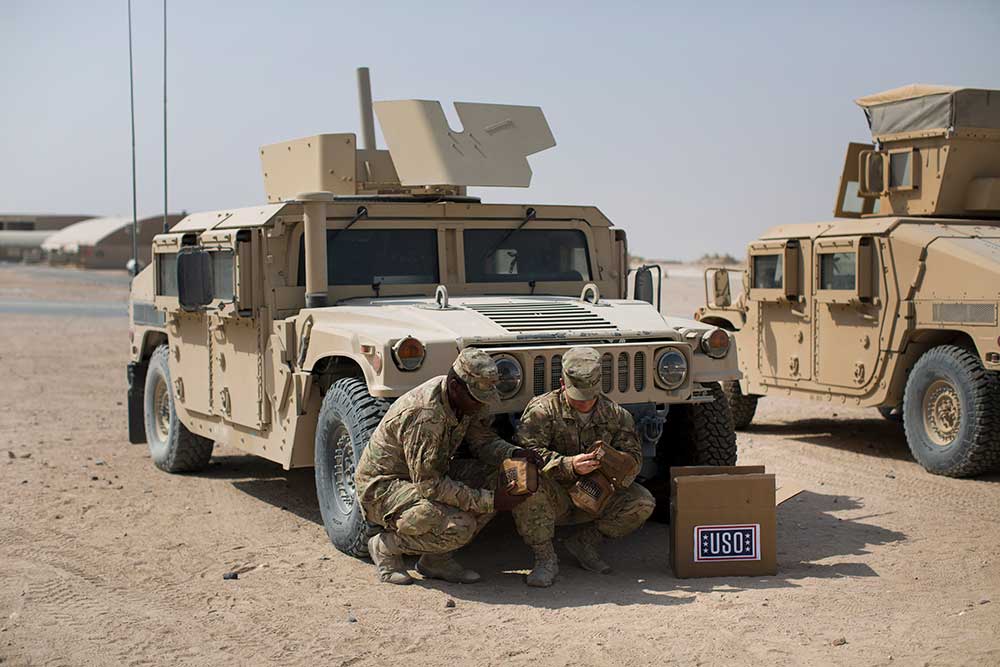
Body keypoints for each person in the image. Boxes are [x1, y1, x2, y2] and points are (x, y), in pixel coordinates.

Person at [355, 347, 544, 585]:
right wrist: (491, 501)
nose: (480, 405)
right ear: (455, 386)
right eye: (476, 399)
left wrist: (514, 453)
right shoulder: (425, 415)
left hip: (427, 475)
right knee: (459, 525)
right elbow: (430, 486)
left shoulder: (465, 399)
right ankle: (386, 546)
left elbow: (482, 441)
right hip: (384, 488)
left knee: (499, 478)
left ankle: (435, 561)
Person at [513, 346, 655, 587]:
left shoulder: (616, 416)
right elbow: (524, 455)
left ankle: (585, 543)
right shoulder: (542, 411)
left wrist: (616, 461)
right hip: (554, 494)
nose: (583, 403)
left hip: (596, 493)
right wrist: (569, 465)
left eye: (589, 396)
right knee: (523, 484)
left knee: (642, 502)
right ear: (562, 383)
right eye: (578, 396)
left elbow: (634, 461)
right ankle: (545, 558)